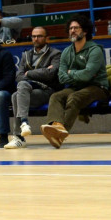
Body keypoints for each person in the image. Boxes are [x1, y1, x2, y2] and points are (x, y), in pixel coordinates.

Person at [41, 16, 111, 149]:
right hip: (76, 87)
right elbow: (62, 77)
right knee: (56, 96)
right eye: (71, 28)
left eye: (76, 28)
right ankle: (57, 127)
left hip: (98, 87)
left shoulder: (95, 49)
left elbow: (87, 75)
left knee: (74, 97)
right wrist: (79, 75)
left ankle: (59, 133)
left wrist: (70, 72)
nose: (72, 31)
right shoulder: (67, 51)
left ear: (85, 31)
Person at [7, 26, 61, 149]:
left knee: (19, 92)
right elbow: (19, 76)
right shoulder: (26, 54)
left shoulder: (55, 54)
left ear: (47, 38)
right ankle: (24, 124)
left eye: (39, 36)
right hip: (28, 90)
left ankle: (19, 135)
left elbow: (51, 74)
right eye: (33, 36)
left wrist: (29, 73)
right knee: (17, 93)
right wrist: (41, 72)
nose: (36, 39)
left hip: (47, 91)